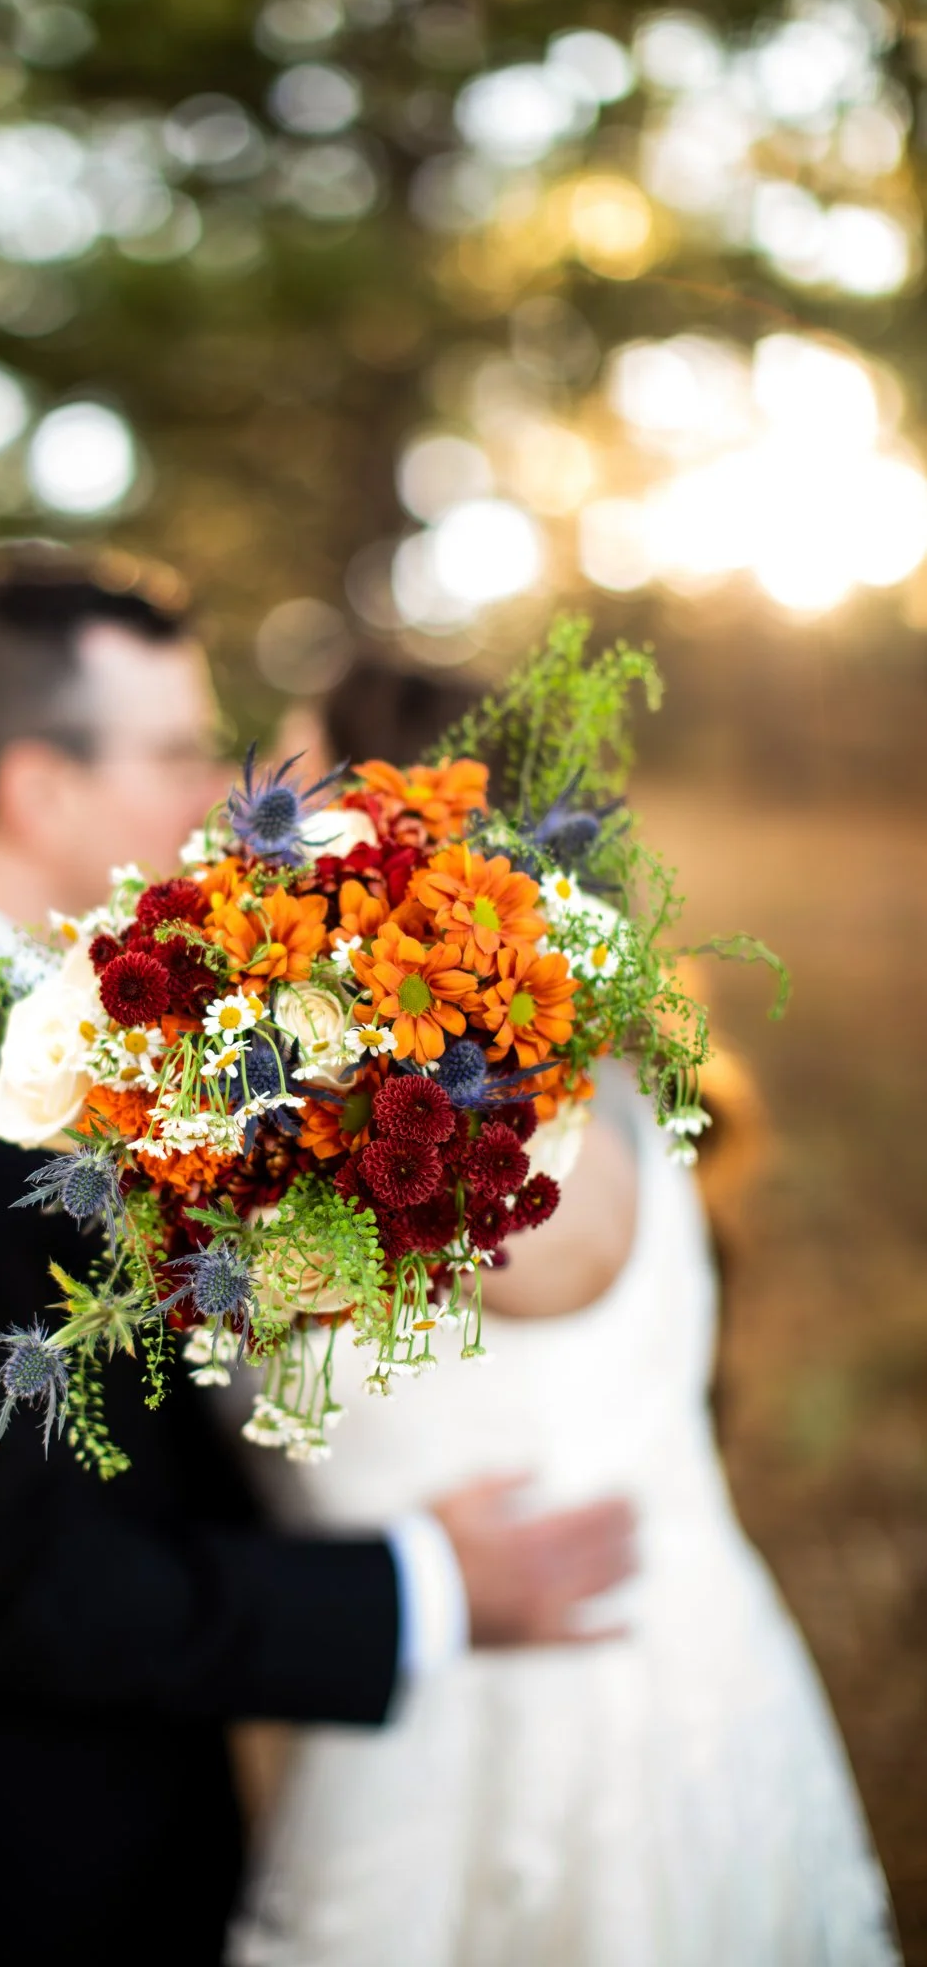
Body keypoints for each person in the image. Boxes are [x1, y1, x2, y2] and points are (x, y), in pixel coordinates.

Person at [0, 546, 638, 1967]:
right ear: (38, 787)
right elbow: (19, 1583)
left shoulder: (88, 1046)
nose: (224, 787)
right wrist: (423, 1589)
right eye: (178, 746)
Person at [222, 667, 900, 1966]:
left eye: (292, 788)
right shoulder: (314, 1087)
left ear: (409, 844)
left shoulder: (535, 1124)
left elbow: (495, 1247)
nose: (247, 824)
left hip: (600, 1744)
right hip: (414, 1731)